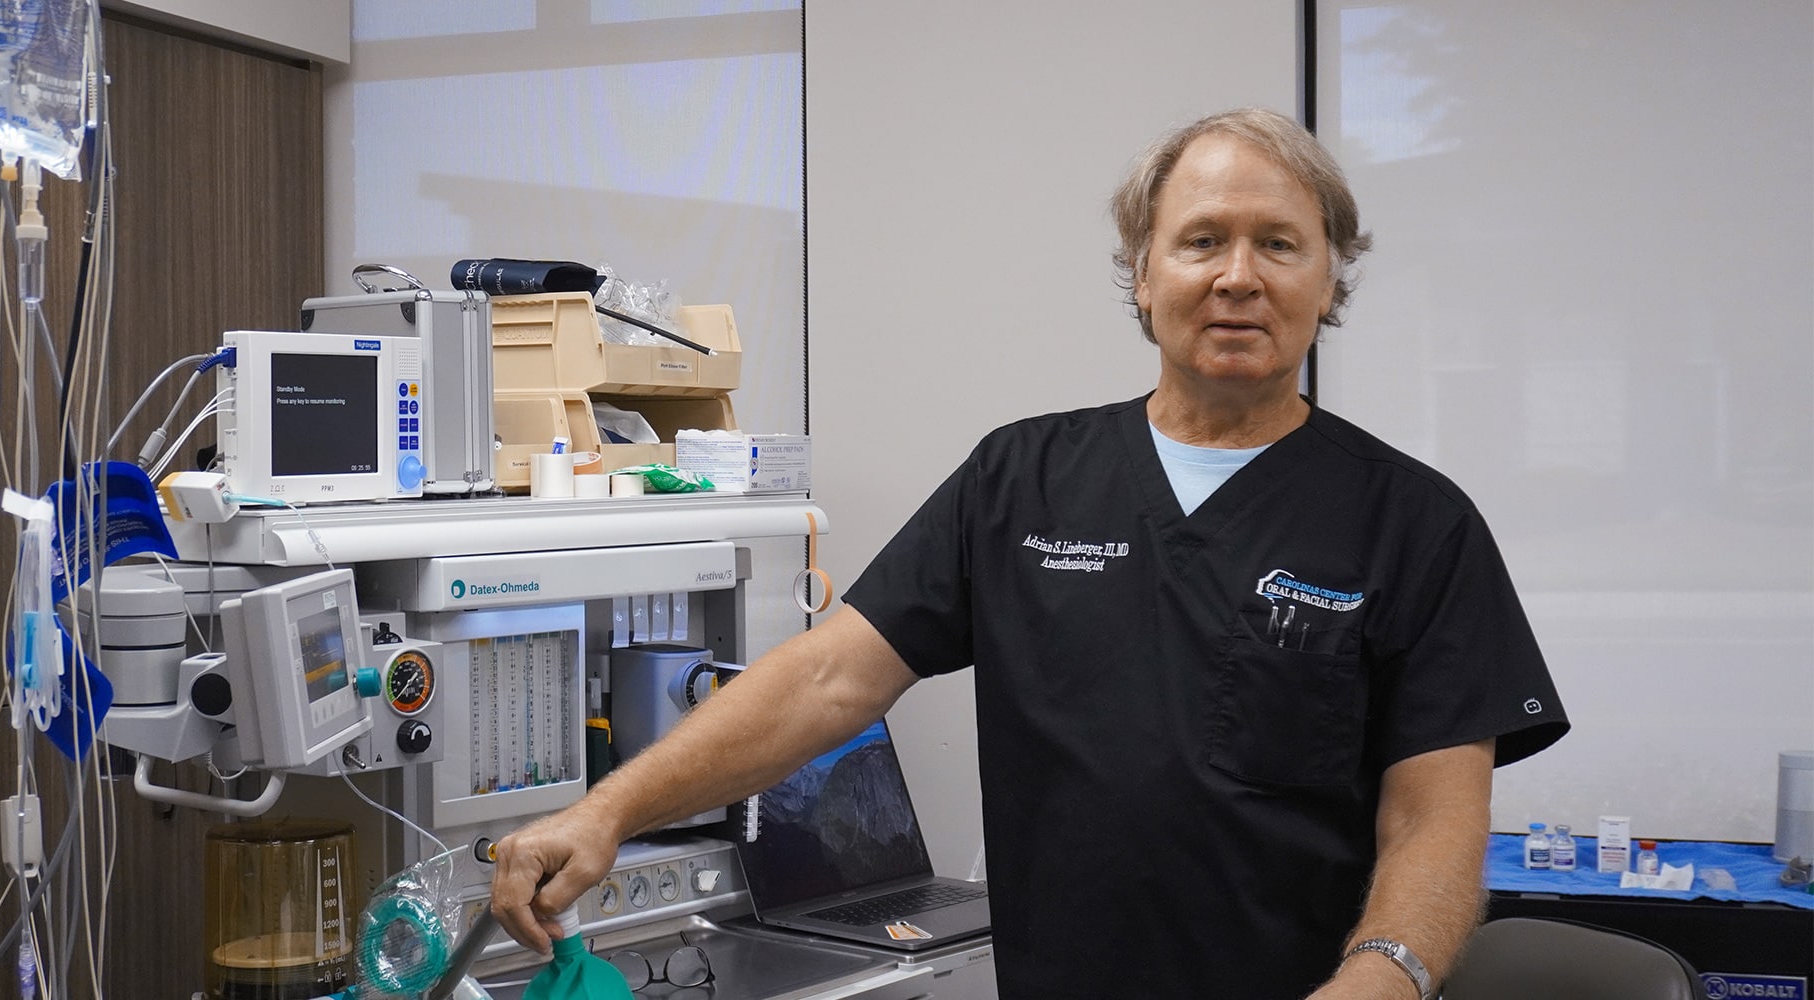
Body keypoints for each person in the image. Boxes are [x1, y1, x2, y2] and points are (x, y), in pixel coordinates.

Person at [491, 108, 1570, 998]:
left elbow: (1437, 812)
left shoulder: (1416, 523)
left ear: (1329, 282)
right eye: (1201, 240)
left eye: (1279, 243)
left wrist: (1381, 977)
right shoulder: (1021, 480)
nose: (1238, 275)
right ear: (1143, 276)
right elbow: (827, 679)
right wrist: (605, 810)